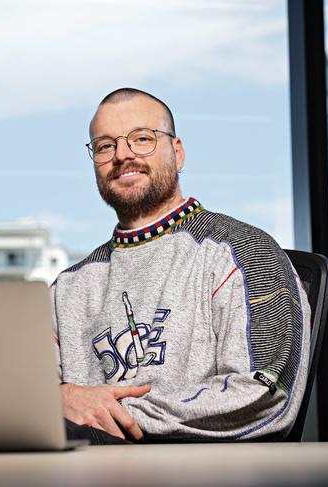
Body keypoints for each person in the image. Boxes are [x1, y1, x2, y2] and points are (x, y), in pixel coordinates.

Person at [52, 88, 311, 444]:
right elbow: (20, 398)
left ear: (177, 152)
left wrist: (110, 419)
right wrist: (58, 399)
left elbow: (266, 390)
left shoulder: (245, 252)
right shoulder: (68, 288)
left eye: (142, 138)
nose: (123, 154)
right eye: (105, 145)